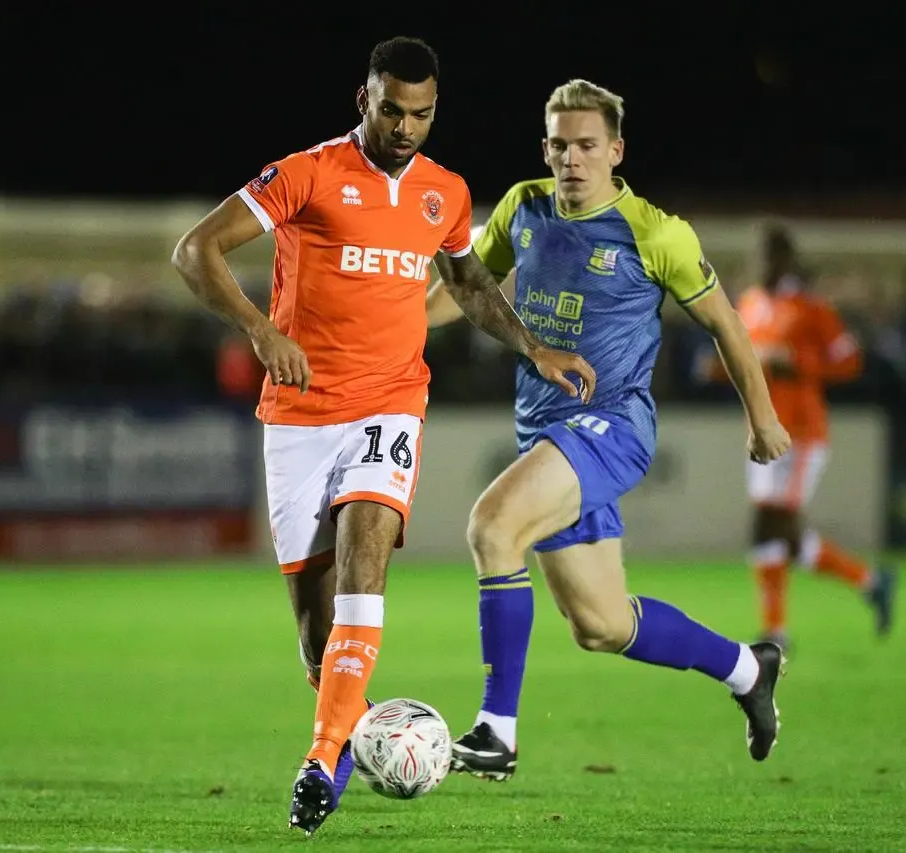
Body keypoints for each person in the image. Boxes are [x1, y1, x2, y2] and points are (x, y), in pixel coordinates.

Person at [171, 38, 595, 835]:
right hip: (298, 416)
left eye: (423, 113)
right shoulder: (306, 174)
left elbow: (468, 283)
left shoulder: (445, 193)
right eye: (393, 110)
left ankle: (320, 755)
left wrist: (534, 345)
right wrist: (259, 328)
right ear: (361, 99)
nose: (407, 127)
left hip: (389, 405)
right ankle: (343, 733)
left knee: (369, 542)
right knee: (315, 635)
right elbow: (194, 249)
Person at [425, 79, 792, 782]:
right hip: (545, 433)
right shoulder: (520, 207)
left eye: (586, 145)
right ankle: (748, 669)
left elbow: (724, 323)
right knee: (600, 626)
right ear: (544, 147)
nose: (571, 158)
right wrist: (395, 325)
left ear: (614, 150)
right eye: (559, 144)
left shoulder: (656, 233)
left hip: (613, 424)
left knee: (492, 525)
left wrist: (762, 416)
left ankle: (496, 731)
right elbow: (467, 293)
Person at [720, 225, 896, 650]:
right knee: (782, 535)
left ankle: (776, 631)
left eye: (769, 257)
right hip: (761, 430)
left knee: (769, 525)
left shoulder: (811, 309)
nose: (761, 264)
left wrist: (797, 361)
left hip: (800, 432)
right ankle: (870, 581)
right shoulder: (750, 303)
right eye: (758, 256)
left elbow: (849, 361)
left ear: (785, 260)